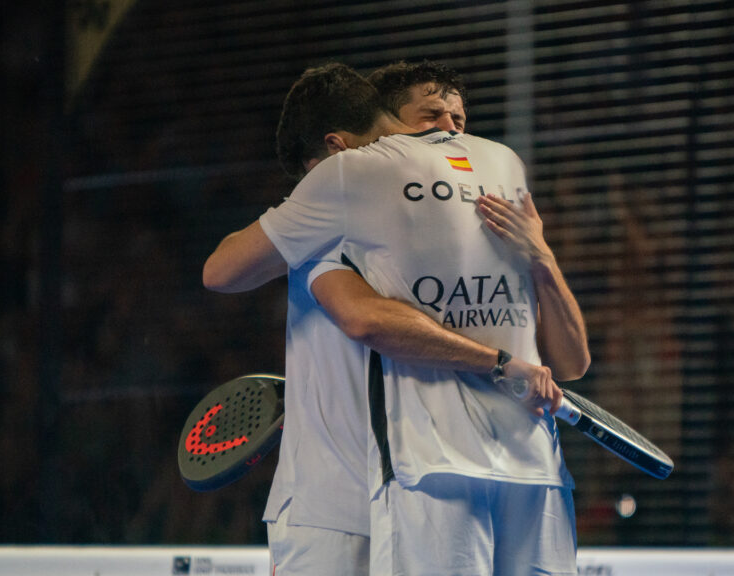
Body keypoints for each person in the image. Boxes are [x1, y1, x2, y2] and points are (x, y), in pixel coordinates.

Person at [205, 62, 588, 576]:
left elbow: (571, 361)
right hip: (334, 507)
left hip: (429, 480)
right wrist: (500, 363)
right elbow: (362, 317)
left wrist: (541, 259)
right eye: (429, 119)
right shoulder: (330, 217)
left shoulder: (468, 214)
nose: (448, 135)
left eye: (458, 120)